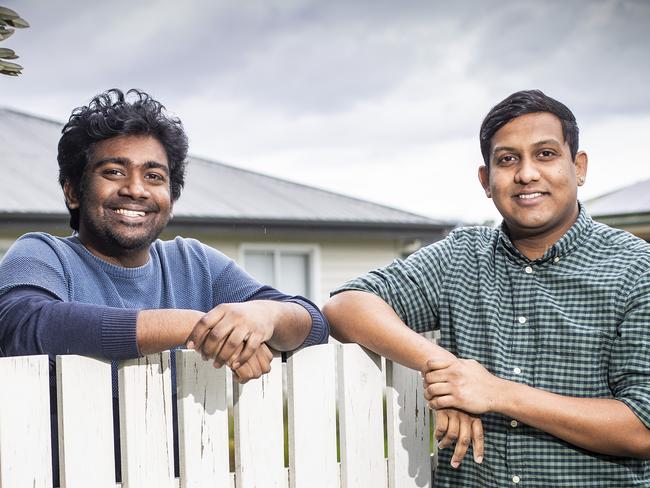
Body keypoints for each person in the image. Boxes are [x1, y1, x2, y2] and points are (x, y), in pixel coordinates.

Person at [324, 89, 650, 487]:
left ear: (578, 167)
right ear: (486, 179)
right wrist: (449, 372)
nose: (526, 173)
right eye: (507, 159)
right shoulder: (461, 256)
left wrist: (493, 392)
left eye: (545, 154)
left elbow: (642, 428)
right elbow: (346, 306)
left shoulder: (636, 269)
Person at [0, 88, 328, 483]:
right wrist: (195, 326)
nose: (136, 189)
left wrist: (265, 315)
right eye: (114, 172)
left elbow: (314, 325)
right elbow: (24, 326)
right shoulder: (42, 254)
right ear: (72, 190)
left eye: (154, 176)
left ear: (171, 195)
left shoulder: (195, 263)